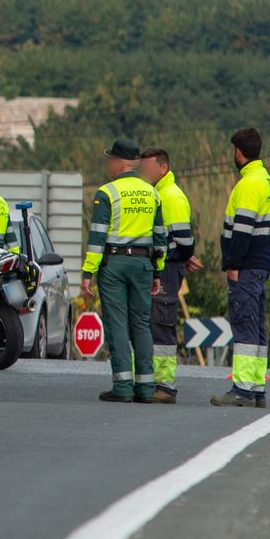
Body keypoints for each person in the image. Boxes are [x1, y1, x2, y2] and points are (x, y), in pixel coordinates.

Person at [81, 137, 166, 403]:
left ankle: (123, 387)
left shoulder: (107, 193)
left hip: (115, 265)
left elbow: (97, 237)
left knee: (117, 323)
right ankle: (146, 388)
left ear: (119, 163)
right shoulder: (151, 192)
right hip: (143, 264)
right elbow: (160, 236)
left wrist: (87, 274)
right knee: (141, 324)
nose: (108, 164)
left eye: (110, 159)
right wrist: (157, 271)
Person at [211, 127, 270, 409]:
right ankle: (256, 387)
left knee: (244, 324)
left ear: (238, 152)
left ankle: (242, 389)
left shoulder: (249, 184)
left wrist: (233, 264)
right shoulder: (267, 181)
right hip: (260, 265)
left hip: (246, 267)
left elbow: (242, 230)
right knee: (257, 328)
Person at [140, 148, 201, 404]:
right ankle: (154, 380)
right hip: (164, 266)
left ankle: (165, 385)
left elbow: (184, 241)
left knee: (162, 323)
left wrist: (183, 257)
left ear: (162, 168)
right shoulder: (159, 193)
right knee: (154, 322)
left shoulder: (171, 197)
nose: (143, 172)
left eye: (148, 167)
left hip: (167, 268)